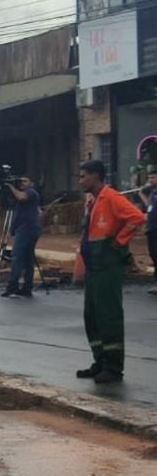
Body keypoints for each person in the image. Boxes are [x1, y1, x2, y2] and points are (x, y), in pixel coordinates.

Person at [76, 160, 145, 384]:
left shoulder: (112, 198)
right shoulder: (93, 200)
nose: (81, 180)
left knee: (109, 315)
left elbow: (137, 218)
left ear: (96, 176)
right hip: (94, 266)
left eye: (83, 176)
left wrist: (120, 241)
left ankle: (114, 367)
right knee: (92, 315)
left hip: (107, 265)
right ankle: (100, 362)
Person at [2, 176, 41, 298]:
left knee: (17, 258)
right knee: (28, 260)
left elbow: (21, 197)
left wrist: (11, 187)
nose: (22, 183)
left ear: (32, 183)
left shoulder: (31, 193)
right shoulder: (23, 193)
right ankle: (27, 287)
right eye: (21, 181)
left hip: (27, 230)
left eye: (25, 181)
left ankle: (12, 286)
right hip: (26, 230)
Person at [136, 168, 157, 295]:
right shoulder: (153, 193)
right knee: (154, 256)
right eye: (149, 178)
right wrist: (141, 194)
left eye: (153, 177)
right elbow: (150, 207)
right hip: (152, 230)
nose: (150, 180)